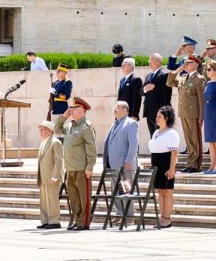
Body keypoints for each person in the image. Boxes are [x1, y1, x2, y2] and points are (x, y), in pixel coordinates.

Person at [61, 97, 96, 230]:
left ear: (82, 110)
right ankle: (76, 220)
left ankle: (83, 222)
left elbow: (91, 147)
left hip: (82, 168)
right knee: (74, 198)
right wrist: (64, 117)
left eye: (74, 109)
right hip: (70, 167)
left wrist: (90, 166)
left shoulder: (86, 126)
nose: (71, 111)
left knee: (84, 197)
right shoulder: (70, 125)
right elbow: (58, 129)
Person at [167, 55, 206, 173]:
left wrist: (201, 116)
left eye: (188, 63)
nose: (185, 65)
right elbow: (169, 82)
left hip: (194, 113)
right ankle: (190, 163)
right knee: (189, 139)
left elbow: (201, 99)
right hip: (183, 112)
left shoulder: (199, 79)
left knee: (195, 139)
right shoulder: (183, 77)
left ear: (195, 64)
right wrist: (178, 70)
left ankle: (195, 164)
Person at [149, 105, 180, 228]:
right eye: (157, 116)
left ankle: (167, 218)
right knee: (160, 191)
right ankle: (161, 217)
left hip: (166, 163)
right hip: (156, 163)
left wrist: (172, 169)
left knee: (167, 191)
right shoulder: (156, 132)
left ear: (166, 118)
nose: (157, 118)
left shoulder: (172, 133)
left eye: (160, 116)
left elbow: (174, 153)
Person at [103, 100, 139, 186]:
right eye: (115, 107)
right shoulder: (114, 124)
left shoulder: (131, 123)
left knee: (126, 194)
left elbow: (133, 145)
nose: (115, 109)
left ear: (125, 110)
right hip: (113, 165)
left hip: (125, 166)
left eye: (118, 107)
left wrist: (128, 161)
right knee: (115, 195)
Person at [35, 119, 63, 229]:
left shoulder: (55, 142)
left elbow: (59, 161)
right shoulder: (43, 143)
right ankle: (45, 220)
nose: (40, 132)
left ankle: (54, 221)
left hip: (52, 176)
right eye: (40, 129)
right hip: (43, 176)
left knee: (52, 199)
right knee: (44, 200)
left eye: (42, 129)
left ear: (50, 131)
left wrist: (55, 176)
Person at [141, 53, 172, 137]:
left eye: (151, 61)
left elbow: (167, 95)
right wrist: (145, 89)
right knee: (153, 137)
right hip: (149, 112)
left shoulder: (164, 74)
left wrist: (165, 113)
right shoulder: (149, 76)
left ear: (159, 62)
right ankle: (154, 151)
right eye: (149, 61)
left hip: (159, 113)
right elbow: (140, 92)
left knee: (161, 136)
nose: (149, 63)